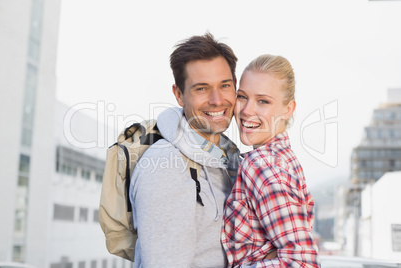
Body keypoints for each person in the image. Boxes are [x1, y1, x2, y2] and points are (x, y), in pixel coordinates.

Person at [129, 33, 242, 267]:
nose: (217, 99)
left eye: (225, 85)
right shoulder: (167, 165)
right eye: (202, 88)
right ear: (179, 95)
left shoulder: (227, 158)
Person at [222, 54, 320, 267]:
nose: (247, 110)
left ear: (288, 109)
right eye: (242, 97)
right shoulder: (283, 158)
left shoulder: (262, 164)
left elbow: (303, 263)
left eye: (263, 101)